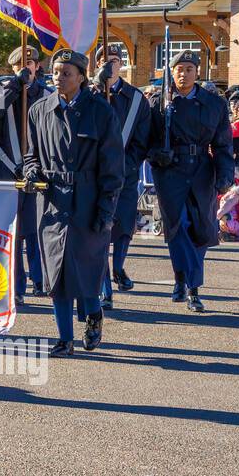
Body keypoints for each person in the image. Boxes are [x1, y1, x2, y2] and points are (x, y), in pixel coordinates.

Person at [21, 49, 122, 355]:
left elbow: (113, 168)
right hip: (52, 202)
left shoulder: (100, 112)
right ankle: (64, 338)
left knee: (86, 269)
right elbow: (31, 155)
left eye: (66, 73)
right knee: (56, 273)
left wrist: (106, 211)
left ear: (81, 76)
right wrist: (31, 171)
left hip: (88, 200)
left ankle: (93, 316)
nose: (59, 77)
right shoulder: (39, 110)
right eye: (55, 72)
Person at [147, 50, 234, 312]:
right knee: (178, 227)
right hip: (170, 170)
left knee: (201, 229)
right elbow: (145, 138)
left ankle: (182, 280)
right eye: (178, 69)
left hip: (201, 171)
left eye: (188, 68)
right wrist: (155, 154)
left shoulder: (213, 103)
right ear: (171, 72)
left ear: (198, 72)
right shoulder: (159, 102)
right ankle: (192, 286)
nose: (183, 74)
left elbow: (223, 144)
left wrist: (225, 175)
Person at [0, 44, 48, 304]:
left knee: (36, 230)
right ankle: (16, 288)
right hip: (8, 169)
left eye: (30, 63)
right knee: (13, 233)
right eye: (19, 64)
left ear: (36, 65)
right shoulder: (2, 89)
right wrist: (15, 83)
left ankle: (41, 281)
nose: (26, 67)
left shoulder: (46, 93)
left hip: (39, 171)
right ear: (12, 67)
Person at [93, 45, 153, 308]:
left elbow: (142, 140)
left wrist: (126, 165)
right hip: (94, 175)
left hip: (126, 174)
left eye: (115, 60)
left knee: (124, 226)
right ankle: (105, 288)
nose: (110, 65)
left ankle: (118, 267)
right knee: (99, 231)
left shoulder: (137, 98)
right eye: (105, 60)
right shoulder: (88, 94)